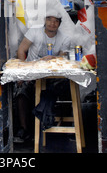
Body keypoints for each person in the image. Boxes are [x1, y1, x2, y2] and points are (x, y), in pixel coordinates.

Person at [14, 11, 72, 142]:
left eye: (56, 21)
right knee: (21, 92)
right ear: (44, 21)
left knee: (64, 87)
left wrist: (53, 59)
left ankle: (62, 125)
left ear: (59, 24)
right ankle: (24, 129)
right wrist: (23, 72)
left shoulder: (65, 38)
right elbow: (21, 50)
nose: (52, 23)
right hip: (32, 73)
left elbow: (62, 59)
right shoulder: (34, 32)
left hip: (52, 76)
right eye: (49, 19)